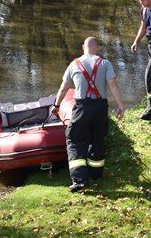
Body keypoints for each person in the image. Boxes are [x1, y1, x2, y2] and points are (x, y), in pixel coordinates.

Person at [52, 37, 125, 192]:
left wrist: (56, 106)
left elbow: (64, 88)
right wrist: (120, 106)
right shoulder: (105, 63)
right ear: (97, 48)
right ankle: (96, 173)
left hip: (82, 107)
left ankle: (79, 180)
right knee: (97, 138)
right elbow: (112, 84)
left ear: (82, 47)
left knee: (74, 139)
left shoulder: (74, 64)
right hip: (100, 107)